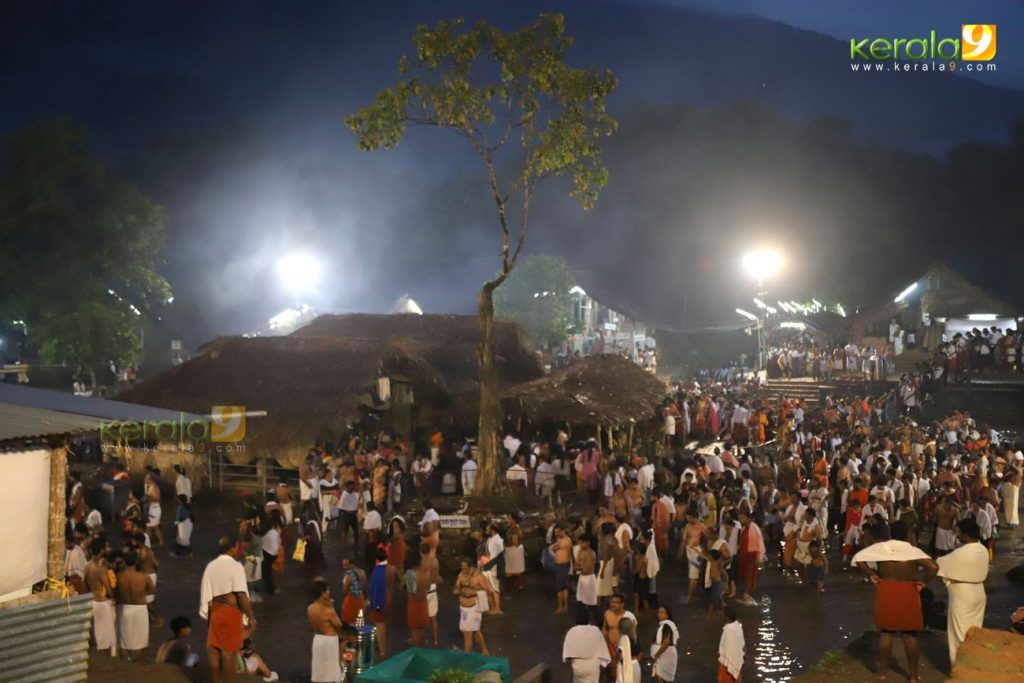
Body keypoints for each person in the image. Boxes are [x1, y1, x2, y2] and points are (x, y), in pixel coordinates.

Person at [852, 521, 938, 683]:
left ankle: (883, 673)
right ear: (907, 535)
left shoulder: (881, 548)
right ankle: (912, 676)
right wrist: (922, 582)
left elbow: (858, 559)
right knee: (910, 635)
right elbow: (933, 567)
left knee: (886, 633)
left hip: (886, 589)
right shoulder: (913, 551)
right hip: (908, 590)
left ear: (891, 533)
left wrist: (872, 574)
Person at [200, 535, 258, 683]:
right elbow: (241, 595)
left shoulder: (211, 566)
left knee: (213, 649)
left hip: (215, 610)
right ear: (232, 548)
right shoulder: (235, 565)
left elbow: (207, 593)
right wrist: (251, 616)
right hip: (230, 612)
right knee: (229, 653)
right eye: (237, 547)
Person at [936, 517, 989, 665]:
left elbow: (939, 564)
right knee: (974, 630)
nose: (957, 535)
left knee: (959, 632)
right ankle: (973, 661)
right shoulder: (983, 549)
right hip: (979, 592)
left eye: (959, 532)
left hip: (962, 596)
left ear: (965, 534)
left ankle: (961, 666)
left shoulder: (962, 552)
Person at [116, 549, 154, 662]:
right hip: (140, 609)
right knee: (141, 641)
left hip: (125, 608)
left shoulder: (119, 576)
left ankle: (125, 664)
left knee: (124, 640)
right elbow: (152, 590)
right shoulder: (144, 577)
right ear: (137, 561)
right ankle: (139, 666)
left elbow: (116, 591)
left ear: (124, 562)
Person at [84, 537, 116, 656]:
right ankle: (105, 658)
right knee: (106, 634)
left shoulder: (87, 566)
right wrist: (113, 598)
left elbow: (85, 587)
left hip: (92, 601)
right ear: (102, 551)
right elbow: (108, 588)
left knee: (98, 631)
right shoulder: (100, 569)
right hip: (102, 602)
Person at [308, 580, 344, 683]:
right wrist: (332, 607)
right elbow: (339, 625)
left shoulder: (310, 608)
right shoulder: (328, 610)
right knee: (331, 674)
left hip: (317, 639)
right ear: (322, 593)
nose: (329, 592)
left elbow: (312, 624)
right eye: (328, 590)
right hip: (329, 641)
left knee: (317, 671)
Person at [454, 557, 491, 655]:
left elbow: (488, 590)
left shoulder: (479, 576)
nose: (463, 570)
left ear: (471, 567)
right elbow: (456, 587)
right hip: (463, 608)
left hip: (473, 607)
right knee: (475, 630)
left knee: (467, 634)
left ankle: (467, 657)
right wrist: (458, 589)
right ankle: (484, 651)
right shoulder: (461, 574)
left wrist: (473, 592)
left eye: (466, 568)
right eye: (462, 568)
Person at [562, 609, 610, 683]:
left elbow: (567, 653)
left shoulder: (572, 631)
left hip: (578, 665)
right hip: (593, 664)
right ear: (589, 619)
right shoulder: (595, 630)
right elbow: (602, 648)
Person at [367, 547, 396, 657]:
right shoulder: (392, 568)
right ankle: (383, 646)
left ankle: (383, 651)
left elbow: (374, 588)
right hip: (388, 595)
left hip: (380, 597)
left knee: (379, 625)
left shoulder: (377, 570)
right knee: (383, 622)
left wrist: (373, 603)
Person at [736, 510, 765, 606]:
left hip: (752, 555)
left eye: (742, 517)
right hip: (745, 555)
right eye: (739, 517)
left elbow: (759, 543)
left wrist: (758, 556)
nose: (740, 519)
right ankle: (748, 596)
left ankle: (749, 597)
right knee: (747, 576)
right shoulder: (745, 527)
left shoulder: (754, 528)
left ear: (748, 518)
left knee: (750, 577)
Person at [406, 552, 432, 647]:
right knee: (421, 629)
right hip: (423, 603)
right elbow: (428, 587)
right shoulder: (427, 574)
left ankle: (416, 650)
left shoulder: (411, 575)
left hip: (414, 604)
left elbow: (410, 592)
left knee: (414, 629)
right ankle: (421, 649)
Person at [650, 606, 679, 683]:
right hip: (663, 655)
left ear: (667, 615)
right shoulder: (664, 625)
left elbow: (666, 641)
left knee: (661, 678)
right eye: (658, 612)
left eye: (662, 612)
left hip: (664, 655)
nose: (659, 614)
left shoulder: (667, 625)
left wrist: (657, 654)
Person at [717, 607, 744, 683]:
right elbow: (743, 646)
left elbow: (723, 646)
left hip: (727, 662)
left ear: (726, 618)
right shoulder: (738, 628)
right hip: (736, 660)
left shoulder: (727, 629)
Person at [551, 525, 574, 614]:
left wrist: (570, 567)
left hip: (564, 565)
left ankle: (562, 606)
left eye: (558, 532)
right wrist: (556, 548)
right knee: (562, 587)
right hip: (559, 564)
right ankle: (563, 606)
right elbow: (554, 549)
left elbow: (569, 554)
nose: (556, 534)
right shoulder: (559, 539)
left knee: (561, 586)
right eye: (555, 532)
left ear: (563, 531)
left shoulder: (567, 540)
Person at [340, 556, 367, 626]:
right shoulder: (362, 572)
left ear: (352, 564)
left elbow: (345, 590)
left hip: (351, 600)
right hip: (361, 598)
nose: (344, 567)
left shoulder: (348, 576)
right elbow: (364, 586)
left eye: (346, 565)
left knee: (348, 622)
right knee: (359, 621)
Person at [261, 514, 282, 595]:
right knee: (268, 572)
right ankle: (271, 588)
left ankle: (270, 589)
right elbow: (279, 543)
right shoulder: (274, 533)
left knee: (266, 573)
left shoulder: (270, 533)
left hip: (267, 554)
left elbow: (262, 542)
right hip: (273, 555)